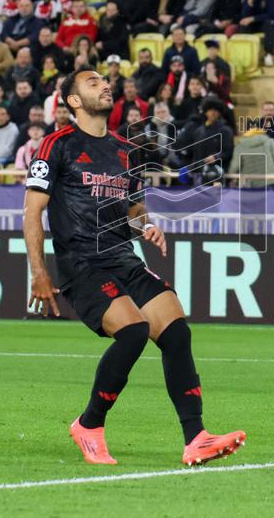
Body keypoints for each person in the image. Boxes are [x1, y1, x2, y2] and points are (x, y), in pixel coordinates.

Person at [23, 69, 246, 466]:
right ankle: (89, 424)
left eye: (105, 82)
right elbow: (32, 211)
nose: (105, 85)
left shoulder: (127, 150)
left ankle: (196, 438)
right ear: (73, 101)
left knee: (176, 332)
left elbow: (133, 210)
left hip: (124, 256)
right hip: (82, 263)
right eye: (92, 83)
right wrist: (39, 273)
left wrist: (147, 226)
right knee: (134, 331)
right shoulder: (56, 146)